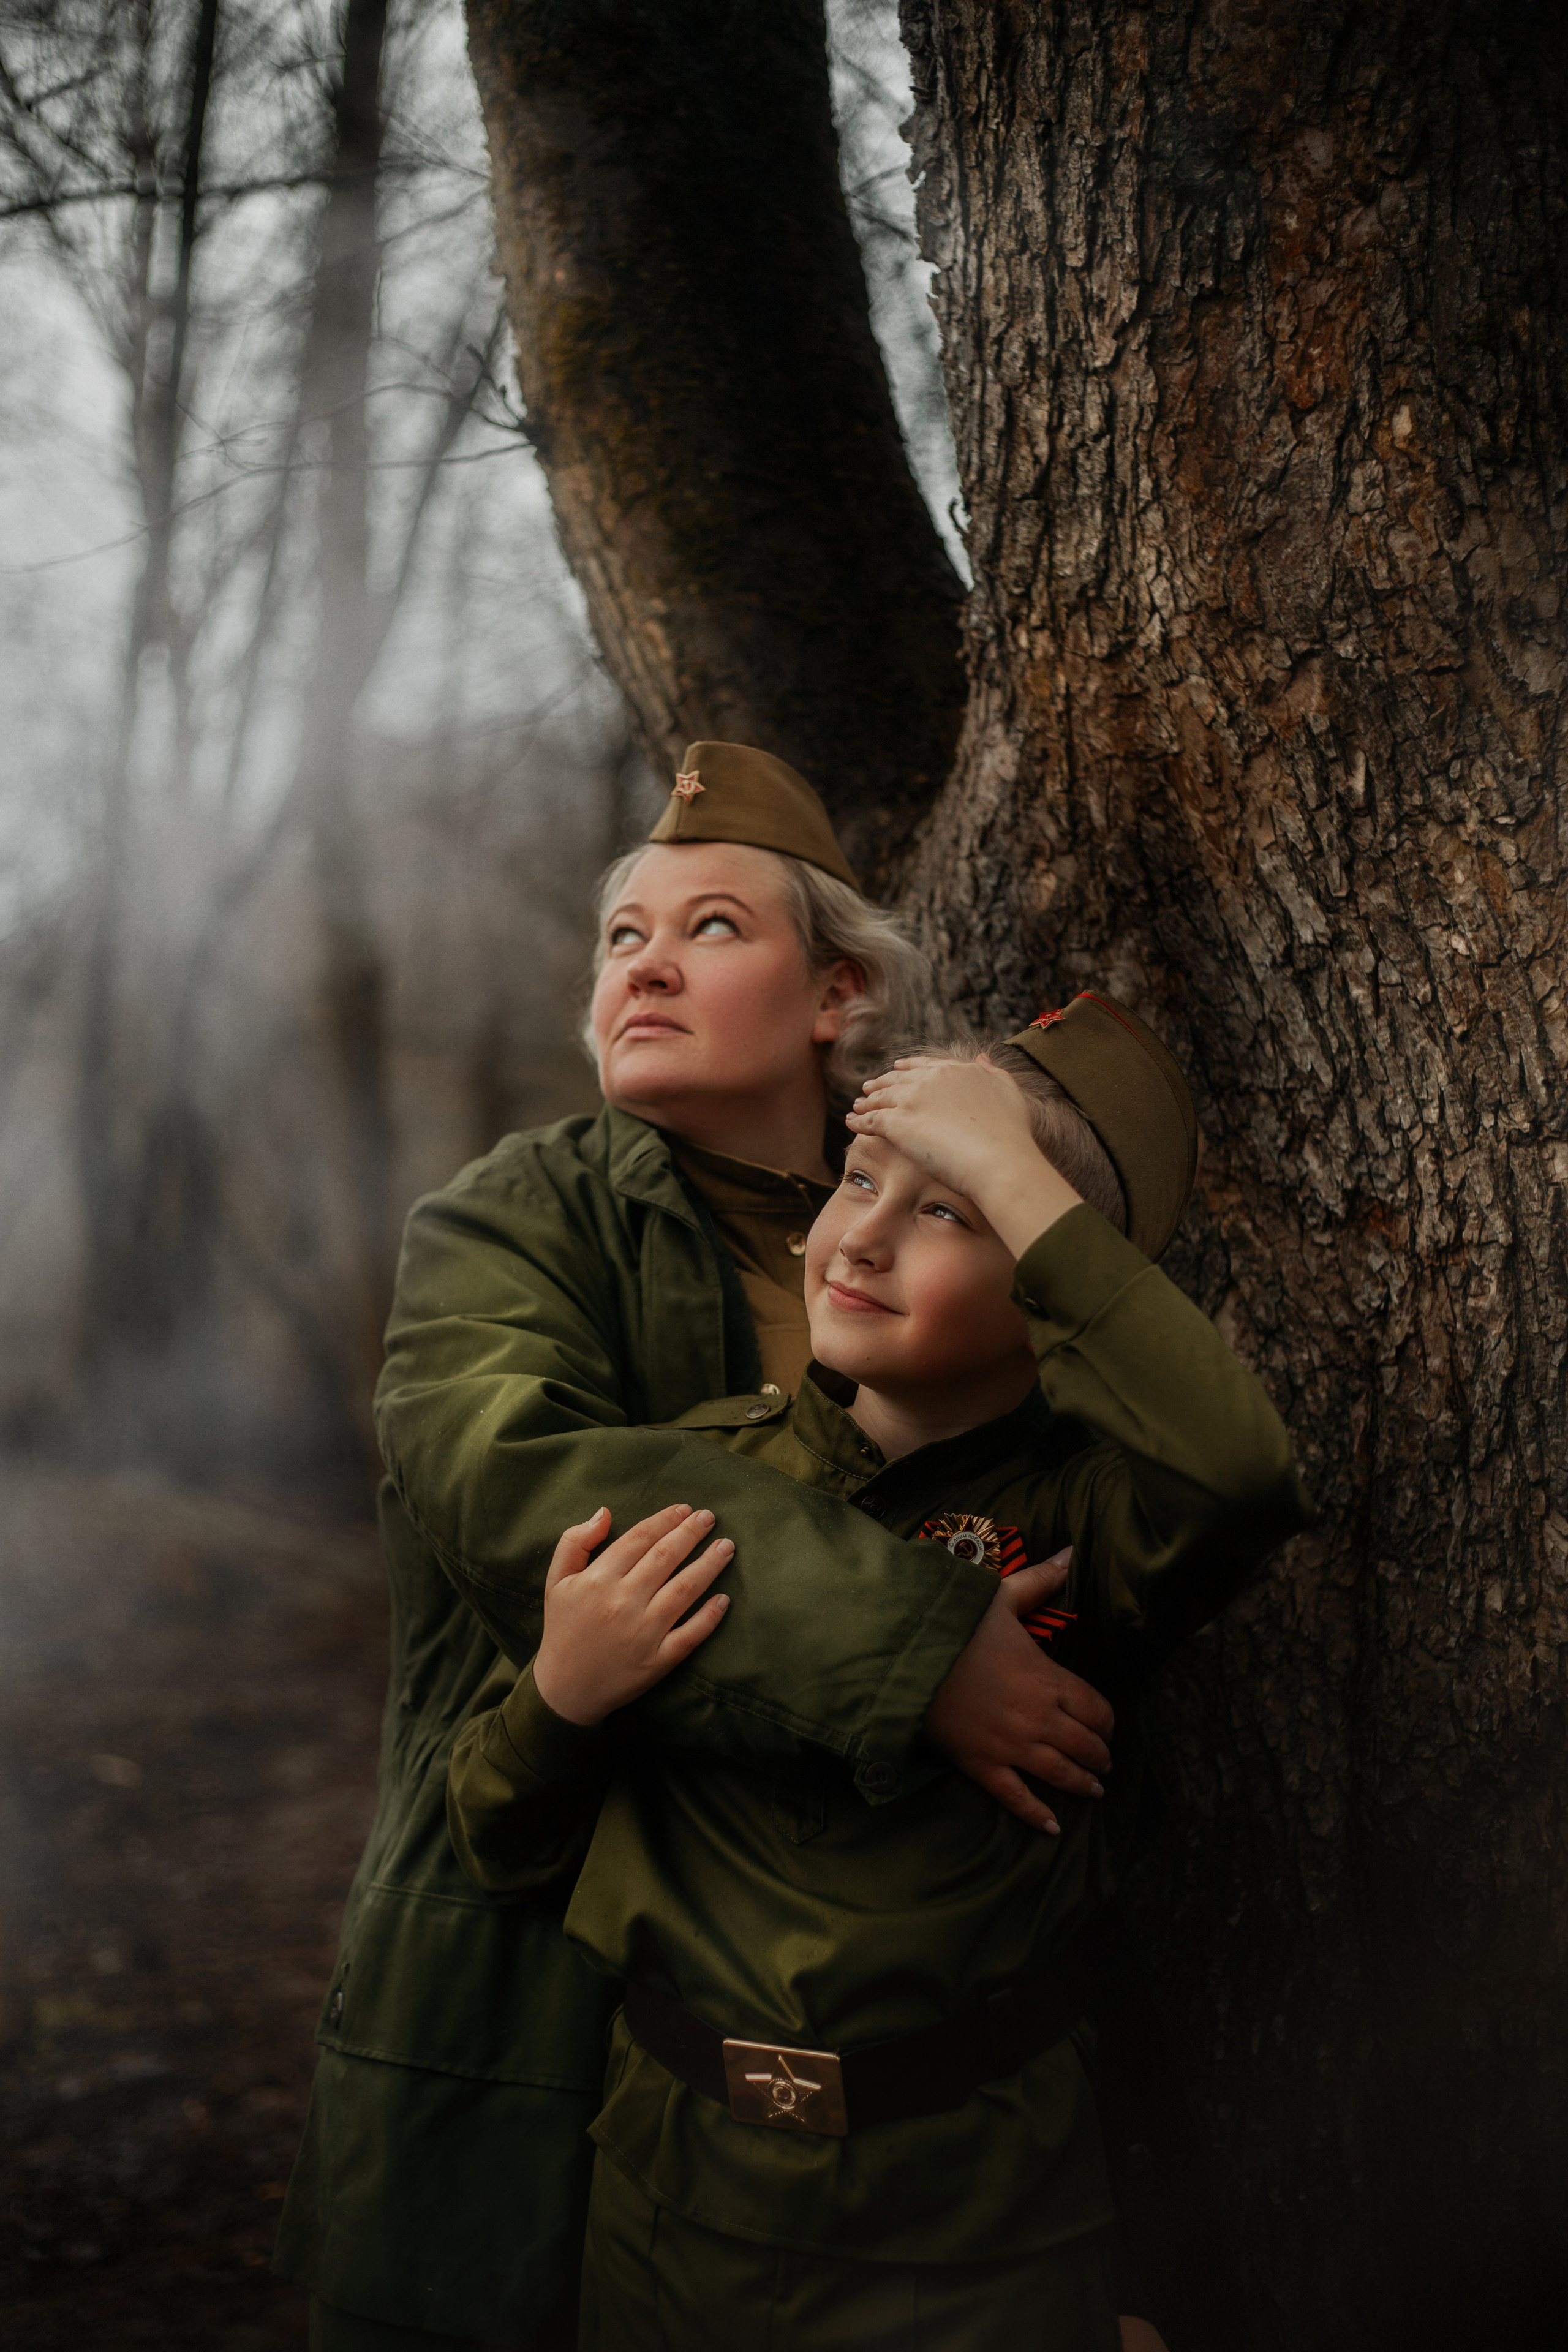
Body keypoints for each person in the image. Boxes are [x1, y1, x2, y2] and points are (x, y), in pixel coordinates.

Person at [273, 744, 1124, 2350]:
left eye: (712, 926)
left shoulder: (940, 1239)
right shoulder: (510, 1220)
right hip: (539, 1987)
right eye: (618, 937)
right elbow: (515, 1479)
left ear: (838, 993)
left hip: (921, 2093)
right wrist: (915, 1643)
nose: (643, 962)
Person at [447, 998, 1316, 2350]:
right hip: (671, 2203)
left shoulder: (1084, 1523)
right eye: (860, 1180)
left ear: (1048, 1277)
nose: (857, 1235)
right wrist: (563, 1690)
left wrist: (1017, 1174)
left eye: (949, 1211)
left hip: (971, 2230)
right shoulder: (698, 1479)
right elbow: (499, 1835)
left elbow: (1245, 1476)